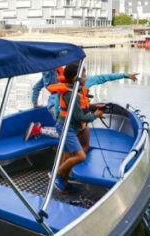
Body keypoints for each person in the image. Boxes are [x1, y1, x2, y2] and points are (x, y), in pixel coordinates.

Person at [24, 62, 104, 195]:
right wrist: (95, 115)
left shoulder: (75, 90)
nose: (86, 79)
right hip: (67, 129)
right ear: (75, 79)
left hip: (69, 127)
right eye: (84, 77)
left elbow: (79, 109)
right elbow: (79, 117)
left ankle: (65, 181)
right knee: (81, 156)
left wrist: (93, 108)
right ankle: (57, 175)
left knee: (67, 155)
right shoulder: (70, 93)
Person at [31, 65, 138, 152]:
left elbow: (106, 77)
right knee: (69, 133)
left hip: (60, 107)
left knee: (70, 132)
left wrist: (35, 104)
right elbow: (105, 77)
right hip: (60, 109)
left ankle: (41, 130)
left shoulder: (72, 79)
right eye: (83, 76)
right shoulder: (73, 83)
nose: (85, 78)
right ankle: (40, 130)